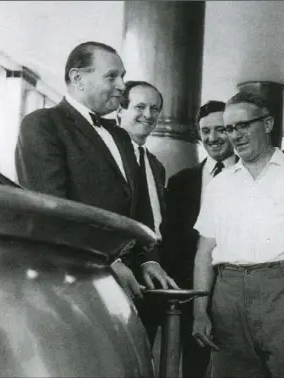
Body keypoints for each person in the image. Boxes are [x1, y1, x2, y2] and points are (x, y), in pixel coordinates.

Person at [15, 41, 176, 303]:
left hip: (127, 284)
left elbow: (141, 211)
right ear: (77, 78)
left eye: (122, 76)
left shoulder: (121, 137)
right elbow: (52, 210)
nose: (122, 86)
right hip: (72, 281)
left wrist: (148, 261)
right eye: (112, 76)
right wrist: (107, 261)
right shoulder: (43, 124)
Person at [192, 92, 284, 377]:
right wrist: (200, 312)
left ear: (268, 124)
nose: (236, 135)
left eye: (243, 125)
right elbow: (203, 255)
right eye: (230, 128)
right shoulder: (219, 185)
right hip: (228, 298)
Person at [162, 100, 236, 377]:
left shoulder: (252, 175)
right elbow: (172, 242)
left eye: (220, 129)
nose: (213, 138)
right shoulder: (181, 182)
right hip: (191, 292)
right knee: (193, 368)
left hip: (237, 290)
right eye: (206, 130)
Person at [118, 80, 180, 342]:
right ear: (120, 110)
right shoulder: (108, 155)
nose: (148, 115)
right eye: (140, 106)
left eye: (155, 109)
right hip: (116, 268)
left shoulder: (155, 165)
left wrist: (152, 260)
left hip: (149, 271)